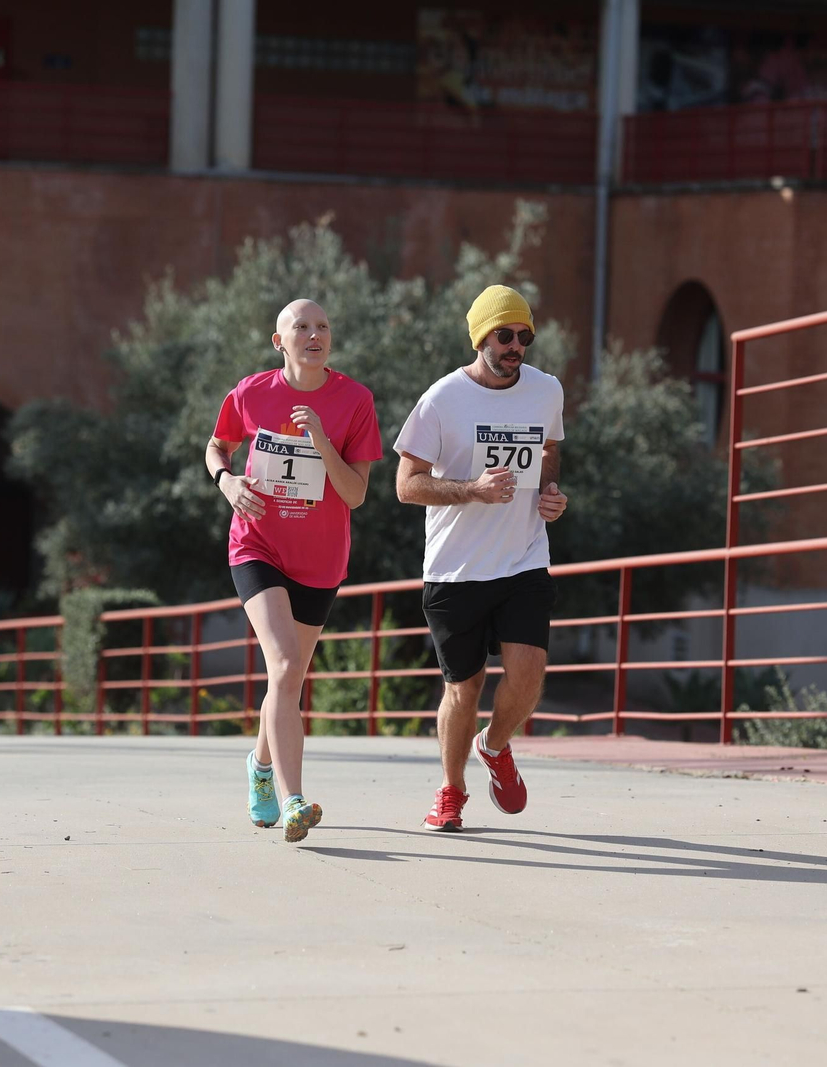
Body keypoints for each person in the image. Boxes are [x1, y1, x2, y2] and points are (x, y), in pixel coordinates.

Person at [205, 298, 384, 842]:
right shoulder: (252, 392)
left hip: (320, 561)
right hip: (257, 546)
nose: (315, 334)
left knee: (288, 678)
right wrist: (228, 482)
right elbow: (218, 447)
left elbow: (354, 495)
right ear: (278, 340)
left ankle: (260, 767)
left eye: (323, 326)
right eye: (301, 327)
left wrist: (320, 443)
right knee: (283, 665)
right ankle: (293, 801)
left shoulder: (354, 400)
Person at [393, 284, 569, 831]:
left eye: (525, 336)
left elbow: (549, 453)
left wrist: (551, 495)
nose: (517, 345)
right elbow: (406, 485)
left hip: (522, 559)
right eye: (505, 334)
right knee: (463, 688)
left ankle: (494, 746)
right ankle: (451, 790)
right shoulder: (442, 399)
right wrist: (472, 489)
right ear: (480, 337)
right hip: (455, 568)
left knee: (529, 672)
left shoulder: (547, 391)